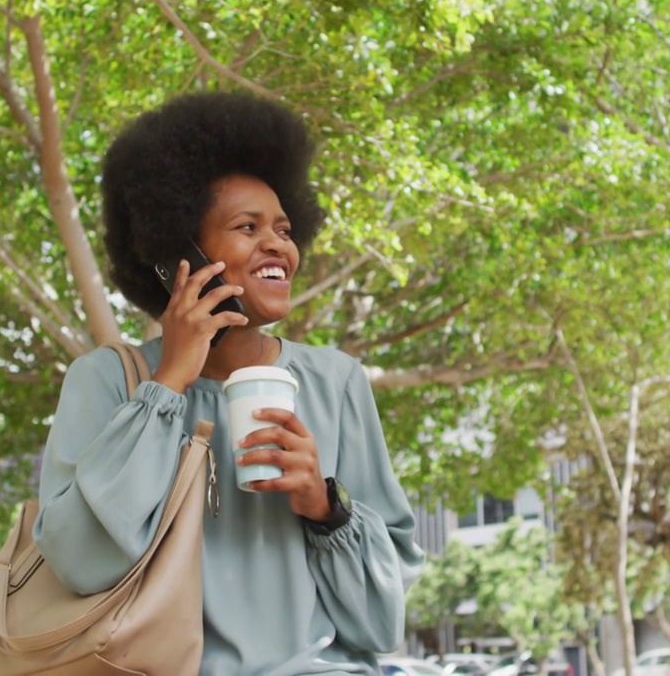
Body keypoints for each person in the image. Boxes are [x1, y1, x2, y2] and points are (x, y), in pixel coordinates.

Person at [33, 91, 426, 675]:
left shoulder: (336, 382)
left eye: (285, 229)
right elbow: (81, 562)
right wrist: (166, 388)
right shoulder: (106, 382)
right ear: (181, 257)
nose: (278, 245)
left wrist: (324, 505)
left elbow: (380, 622)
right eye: (247, 227)